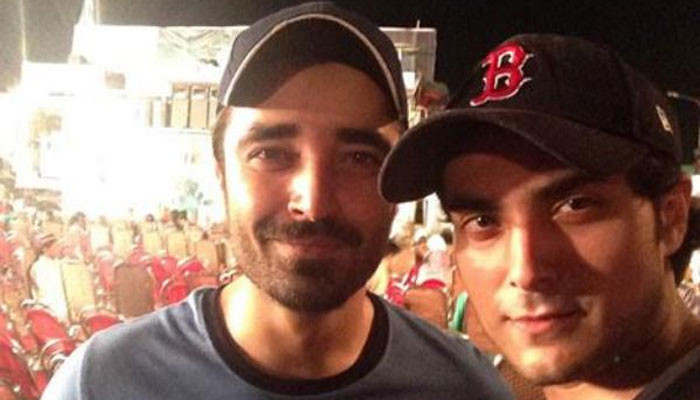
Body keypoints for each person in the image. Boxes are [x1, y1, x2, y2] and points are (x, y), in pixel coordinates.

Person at [42, 3, 511, 399]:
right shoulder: (101, 384)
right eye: (270, 153)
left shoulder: (464, 388)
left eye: (359, 158)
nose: (314, 202)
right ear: (221, 174)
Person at [380, 34, 700, 399]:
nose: (526, 271)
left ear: (671, 217)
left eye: (575, 205)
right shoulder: (493, 386)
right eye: (483, 221)